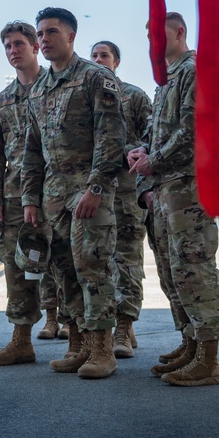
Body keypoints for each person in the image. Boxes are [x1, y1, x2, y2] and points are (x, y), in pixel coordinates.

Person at [21, 8, 126, 379]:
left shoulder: (96, 78)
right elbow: (31, 152)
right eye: (40, 34)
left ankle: (102, 351)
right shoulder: (38, 89)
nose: (44, 39)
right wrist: (30, 200)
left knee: (92, 269)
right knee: (63, 272)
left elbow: (111, 138)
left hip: (87, 194)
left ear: (71, 36)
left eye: (51, 32)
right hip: (53, 198)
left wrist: (96, 188)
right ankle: (78, 345)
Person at [129, 12, 219, 387]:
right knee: (175, 271)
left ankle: (209, 359)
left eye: (158, 35)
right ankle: (191, 343)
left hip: (190, 186)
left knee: (195, 267)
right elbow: (160, 131)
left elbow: (193, 129)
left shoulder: (195, 69)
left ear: (179, 32)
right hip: (168, 188)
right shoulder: (167, 79)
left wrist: (153, 160)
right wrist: (142, 151)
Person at [0, 21, 46, 366]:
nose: (13, 51)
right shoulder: (2, 100)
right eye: (7, 45)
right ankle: (21, 340)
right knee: (16, 269)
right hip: (13, 197)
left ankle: (83, 341)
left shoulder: (55, 87)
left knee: (66, 267)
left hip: (54, 193)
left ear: (35, 46)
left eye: (19, 44)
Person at [89, 40, 152, 359]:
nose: (99, 60)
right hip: (93, 192)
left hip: (126, 191)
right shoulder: (82, 96)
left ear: (117, 61)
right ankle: (101, 326)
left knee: (127, 259)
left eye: (104, 56)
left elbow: (153, 137)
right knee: (96, 260)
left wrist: (127, 150)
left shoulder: (135, 96)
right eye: (94, 56)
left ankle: (125, 326)